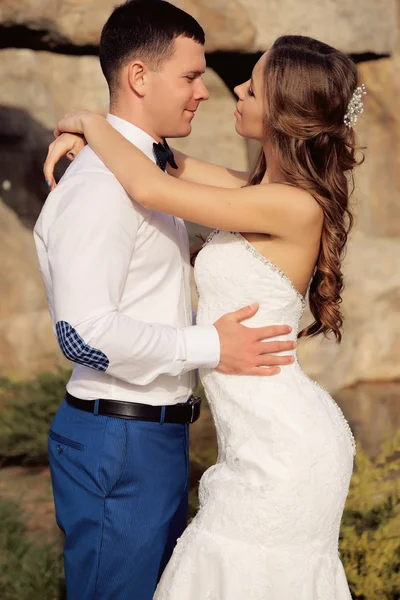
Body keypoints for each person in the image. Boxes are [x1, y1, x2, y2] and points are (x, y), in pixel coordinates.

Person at [48, 31, 365, 599]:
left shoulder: (290, 205)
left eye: (254, 84)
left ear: (285, 112)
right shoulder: (256, 190)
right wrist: (95, 136)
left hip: (283, 451)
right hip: (255, 442)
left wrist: (91, 124)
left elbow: (147, 184)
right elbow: (159, 161)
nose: (234, 89)